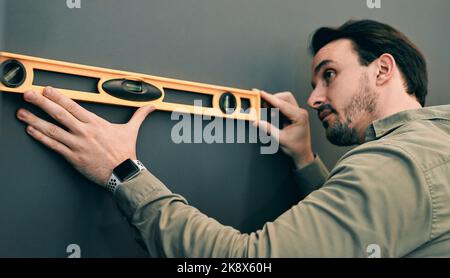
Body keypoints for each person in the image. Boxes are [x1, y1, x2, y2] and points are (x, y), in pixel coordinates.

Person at [15, 19, 450, 257]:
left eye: (329, 75)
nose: (314, 98)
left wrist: (123, 172)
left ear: (382, 69)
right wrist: (305, 161)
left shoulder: (398, 165)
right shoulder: (433, 149)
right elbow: (366, 233)